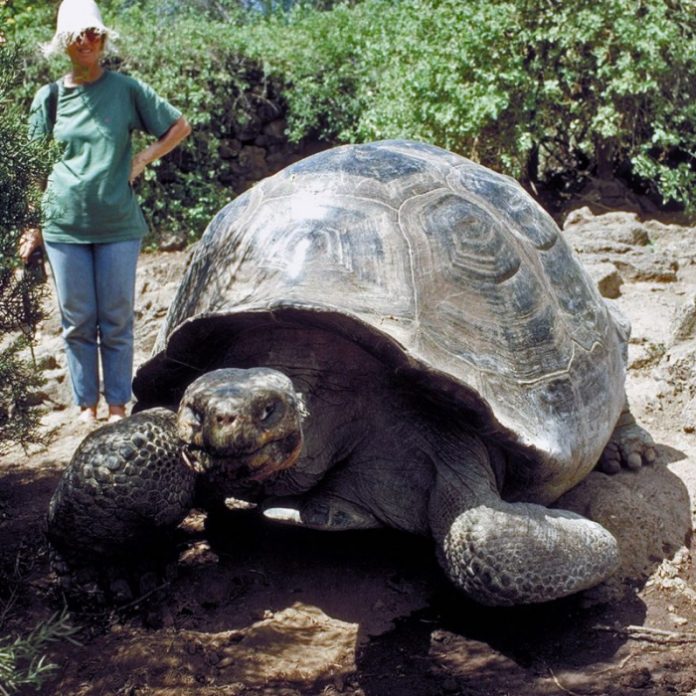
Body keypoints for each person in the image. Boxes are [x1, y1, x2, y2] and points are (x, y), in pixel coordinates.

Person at [19, 0, 191, 425]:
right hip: (62, 225)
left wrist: (143, 158)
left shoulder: (126, 90)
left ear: (104, 38)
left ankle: (117, 405)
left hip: (117, 224)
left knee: (116, 318)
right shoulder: (50, 97)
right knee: (77, 321)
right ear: (64, 42)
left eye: (93, 33)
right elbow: (31, 166)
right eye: (78, 35)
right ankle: (85, 405)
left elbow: (178, 125)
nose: (87, 41)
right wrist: (31, 226)